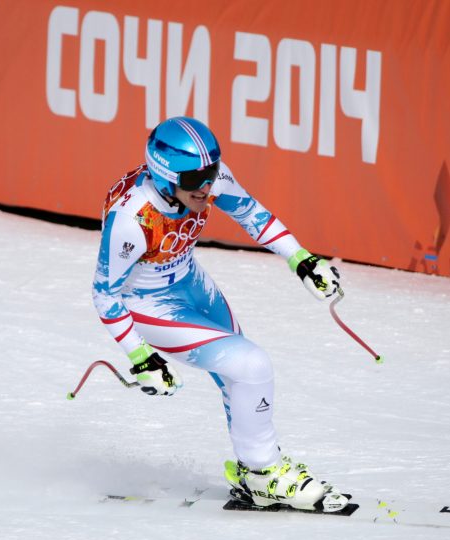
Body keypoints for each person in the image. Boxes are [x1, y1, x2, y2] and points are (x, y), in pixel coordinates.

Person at [92, 116, 346, 512]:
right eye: (195, 181)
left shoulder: (201, 180)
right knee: (252, 363)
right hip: (146, 303)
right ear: (164, 178)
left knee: (238, 376)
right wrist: (140, 355)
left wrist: (301, 258)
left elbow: (251, 213)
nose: (207, 187)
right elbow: (104, 293)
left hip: (189, 280)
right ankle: (265, 472)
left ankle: (255, 474)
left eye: (212, 173)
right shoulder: (132, 218)